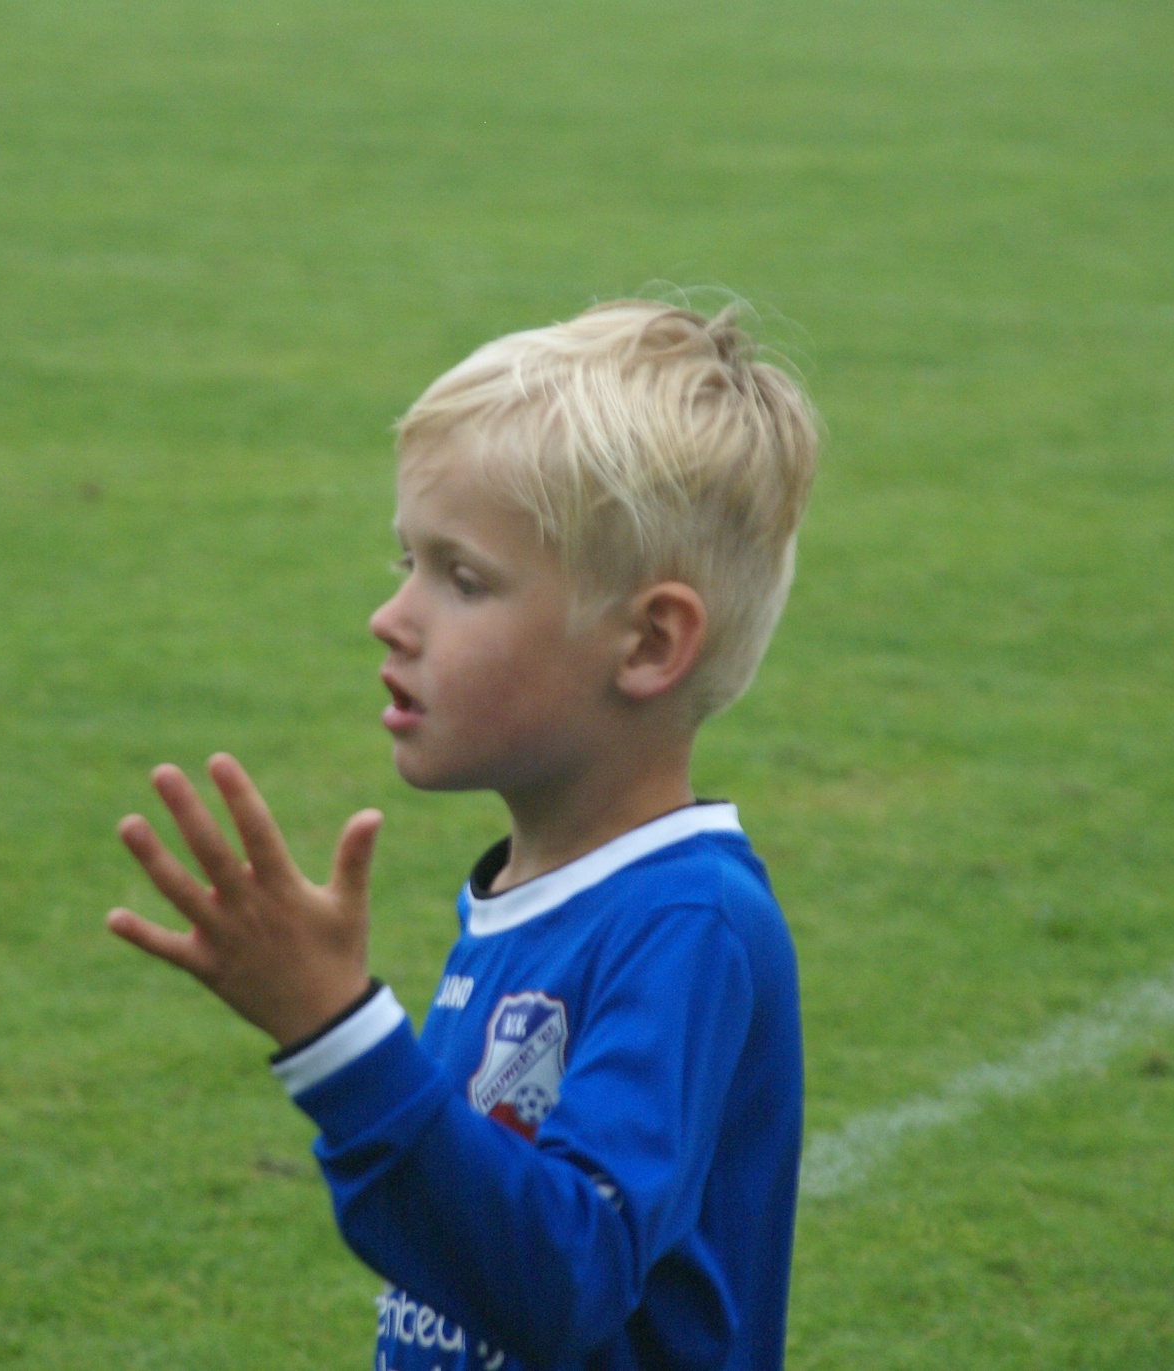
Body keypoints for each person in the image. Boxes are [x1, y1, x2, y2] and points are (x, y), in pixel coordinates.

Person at [107, 299, 820, 1371]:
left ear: (647, 642)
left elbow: (564, 1278)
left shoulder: (686, 923)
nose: (392, 617)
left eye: (463, 579)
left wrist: (335, 1036)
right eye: (406, 560)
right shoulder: (527, 894)